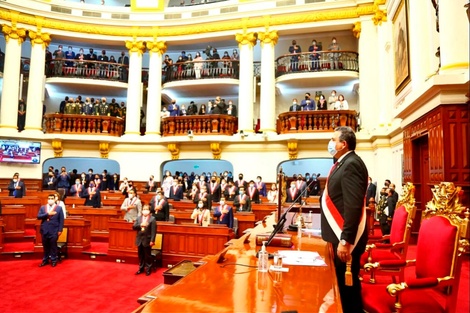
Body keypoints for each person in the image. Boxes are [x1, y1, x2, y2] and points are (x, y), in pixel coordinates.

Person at [320, 126, 368, 313]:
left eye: (333, 139)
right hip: (339, 235)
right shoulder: (342, 162)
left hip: (346, 240)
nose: (330, 143)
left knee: (348, 290)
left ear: (343, 144)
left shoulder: (352, 164)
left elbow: (353, 205)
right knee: (341, 286)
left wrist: (345, 239)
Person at [37, 194, 65, 267]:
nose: (50, 199)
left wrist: (60, 230)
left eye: (52, 198)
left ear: (54, 199)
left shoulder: (59, 208)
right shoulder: (43, 207)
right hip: (44, 229)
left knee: (53, 245)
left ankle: (53, 260)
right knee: (45, 246)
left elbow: (61, 220)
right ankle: (45, 260)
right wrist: (48, 214)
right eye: (49, 198)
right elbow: (38, 216)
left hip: (54, 230)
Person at [133, 205, 156, 276]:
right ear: (142, 210)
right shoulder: (139, 218)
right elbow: (134, 227)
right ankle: (141, 268)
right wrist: (141, 225)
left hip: (147, 240)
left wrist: (152, 240)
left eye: (147, 209)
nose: (145, 211)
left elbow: (153, 231)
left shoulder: (152, 219)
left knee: (147, 256)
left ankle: (148, 269)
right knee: (140, 255)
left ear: (149, 211)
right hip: (139, 239)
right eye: (144, 209)